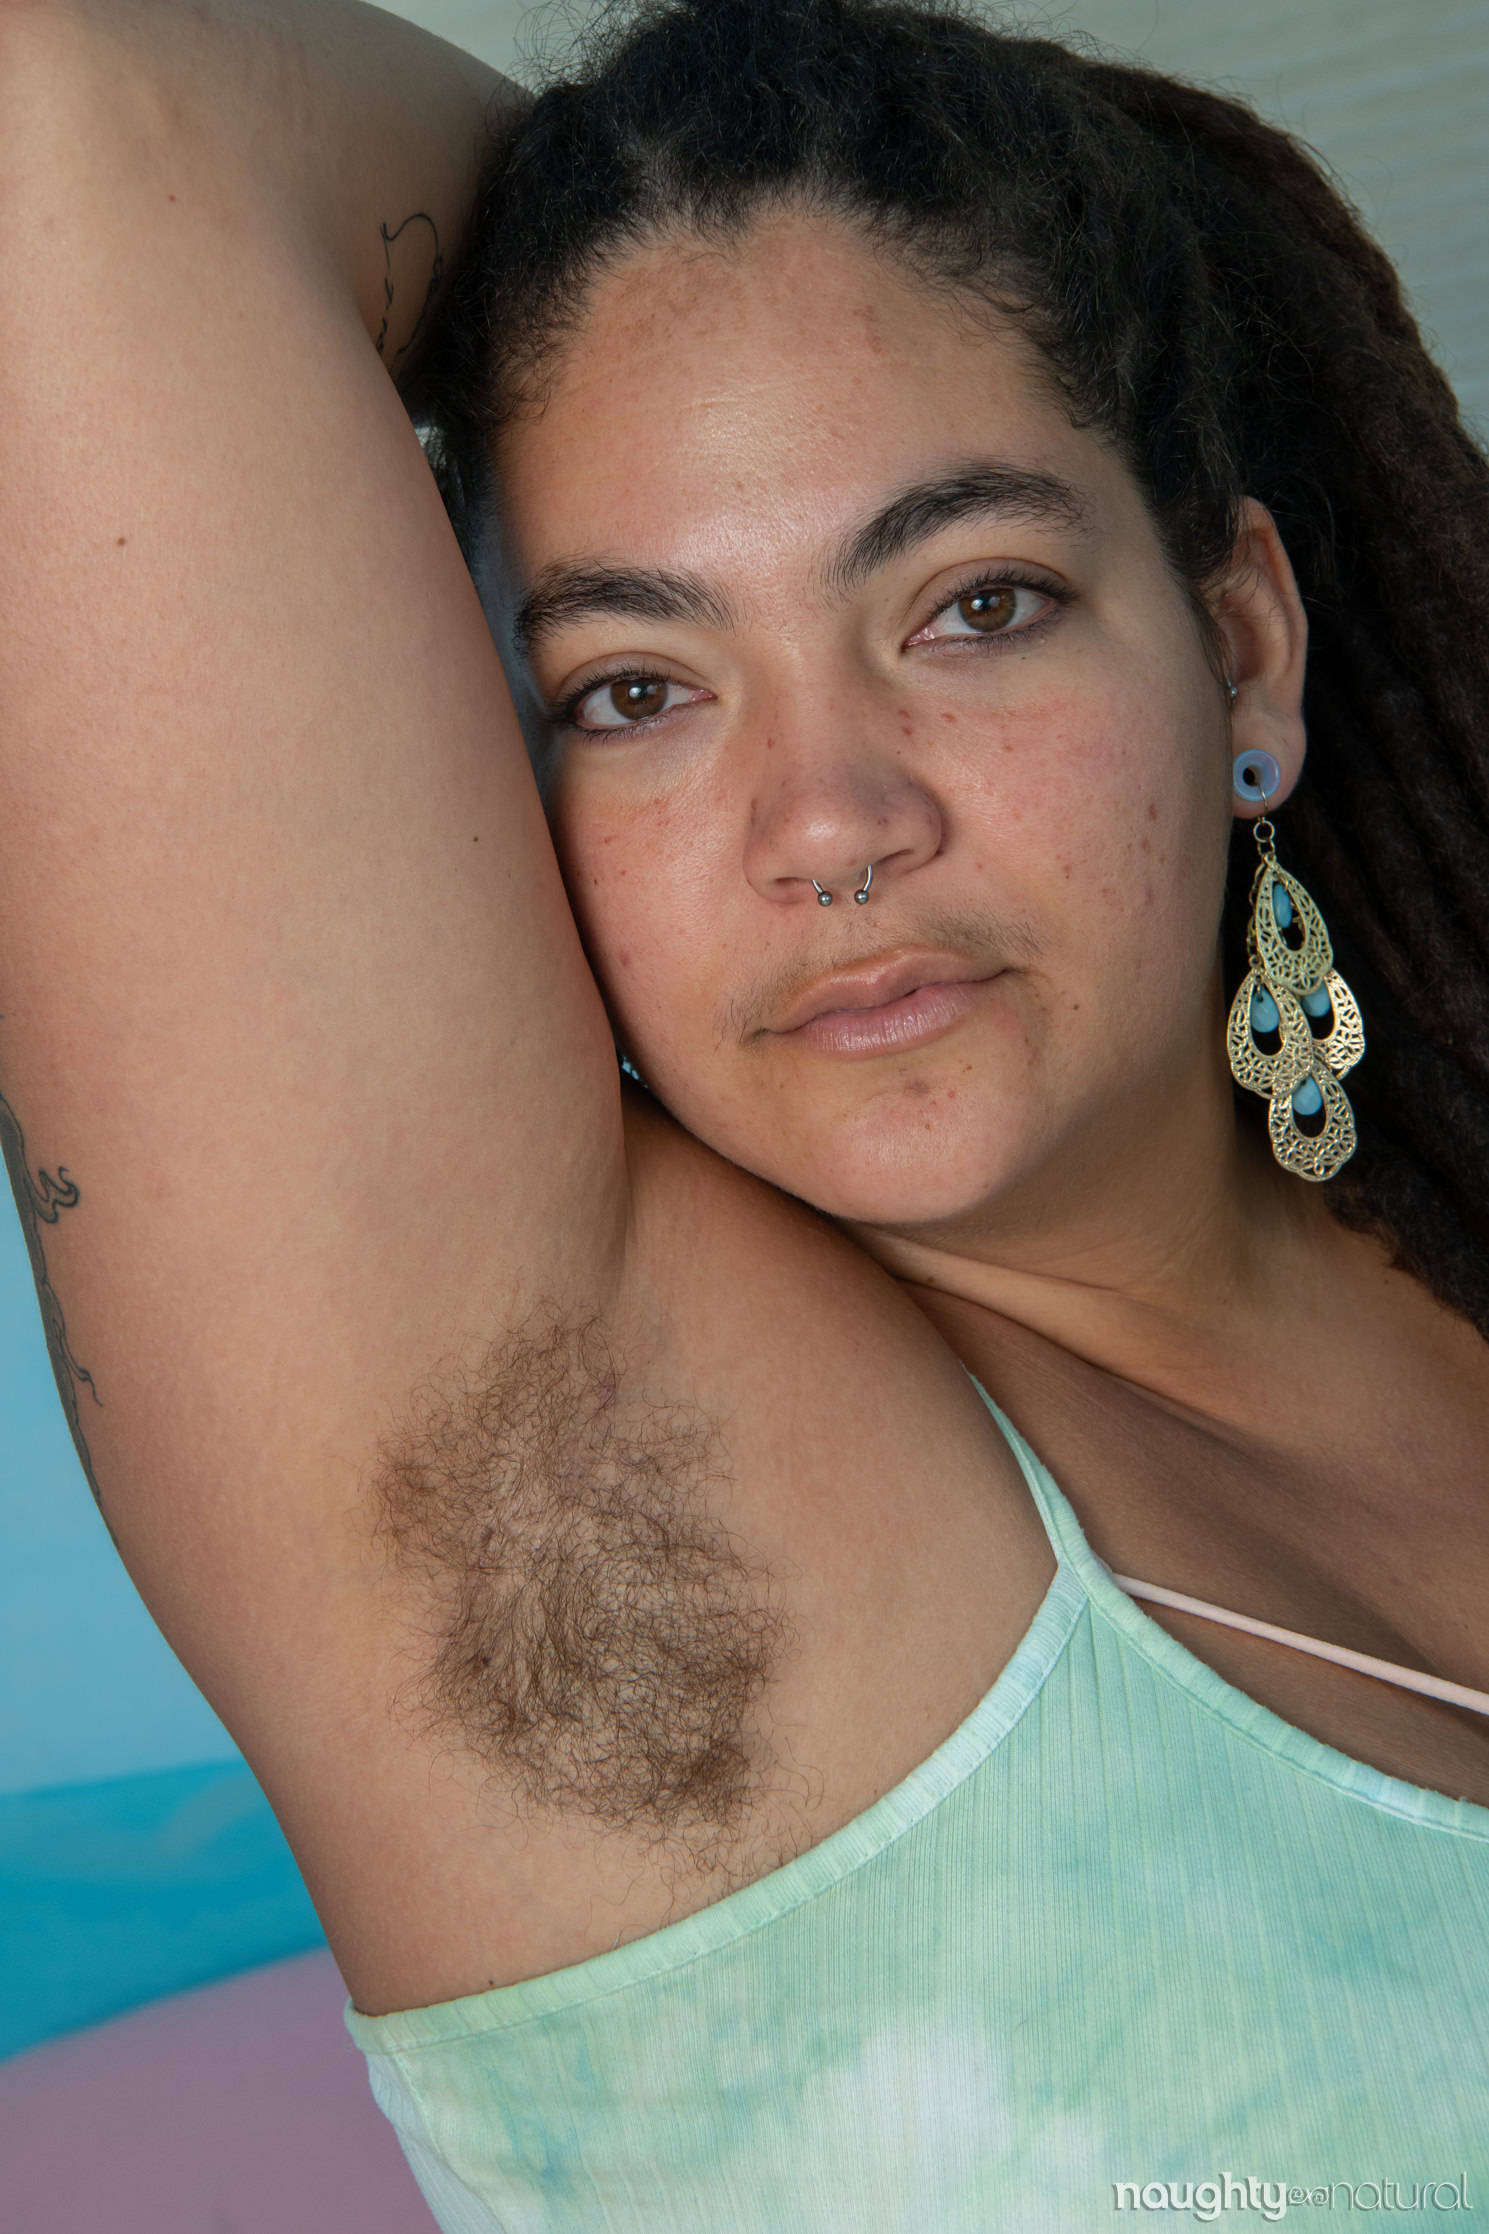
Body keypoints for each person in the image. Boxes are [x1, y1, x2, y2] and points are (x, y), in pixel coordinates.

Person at [4, 0, 1488, 2220]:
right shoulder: (571, 1464)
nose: (829, 820)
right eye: (635, 688)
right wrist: (636, 209)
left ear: (1239, 647)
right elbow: (67, 115)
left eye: (973, 604)